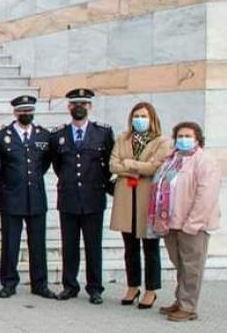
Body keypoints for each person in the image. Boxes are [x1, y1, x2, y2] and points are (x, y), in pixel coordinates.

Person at [150, 122, 222, 323]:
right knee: (180, 264)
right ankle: (180, 300)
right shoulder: (173, 159)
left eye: (188, 136)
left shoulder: (205, 161)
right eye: (179, 136)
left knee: (192, 267)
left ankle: (188, 307)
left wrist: (193, 223)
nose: (183, 139)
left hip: (192, 224)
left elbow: (206, 195)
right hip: (171, 222)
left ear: (197, 138)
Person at [50, 87, 115, 304]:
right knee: (69, 244)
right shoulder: (58, 134)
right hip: (68, 197)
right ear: (68, 107)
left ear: (90, 106)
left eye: (83, 104)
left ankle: (95, 287)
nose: (79, 108)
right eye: (75, 104)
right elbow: (58, 165)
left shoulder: (103, 133)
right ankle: (70, 285)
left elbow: (108, 164)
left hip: (93, 196)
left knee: (93, 245)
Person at [111, 102, 171, 309]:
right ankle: (133, 286)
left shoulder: (162, 142)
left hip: (147, 199)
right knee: (130, 247)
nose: (139, 120)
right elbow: (113, 164)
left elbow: (154, 167)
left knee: (150, 247)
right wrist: (137, 168)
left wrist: (128, 165)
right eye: (136, 116)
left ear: (152, 118)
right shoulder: (122, 138)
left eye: (143, 116)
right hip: (126, 197)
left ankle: (151, 290)